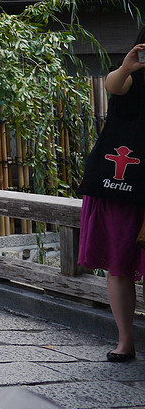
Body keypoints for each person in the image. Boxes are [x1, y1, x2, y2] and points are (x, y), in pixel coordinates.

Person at [77, 29, 145, 361]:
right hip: (120, 184)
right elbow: (112, 85)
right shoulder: (130, 77)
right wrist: (127, 66)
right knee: (118, 264)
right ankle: (125, 340)